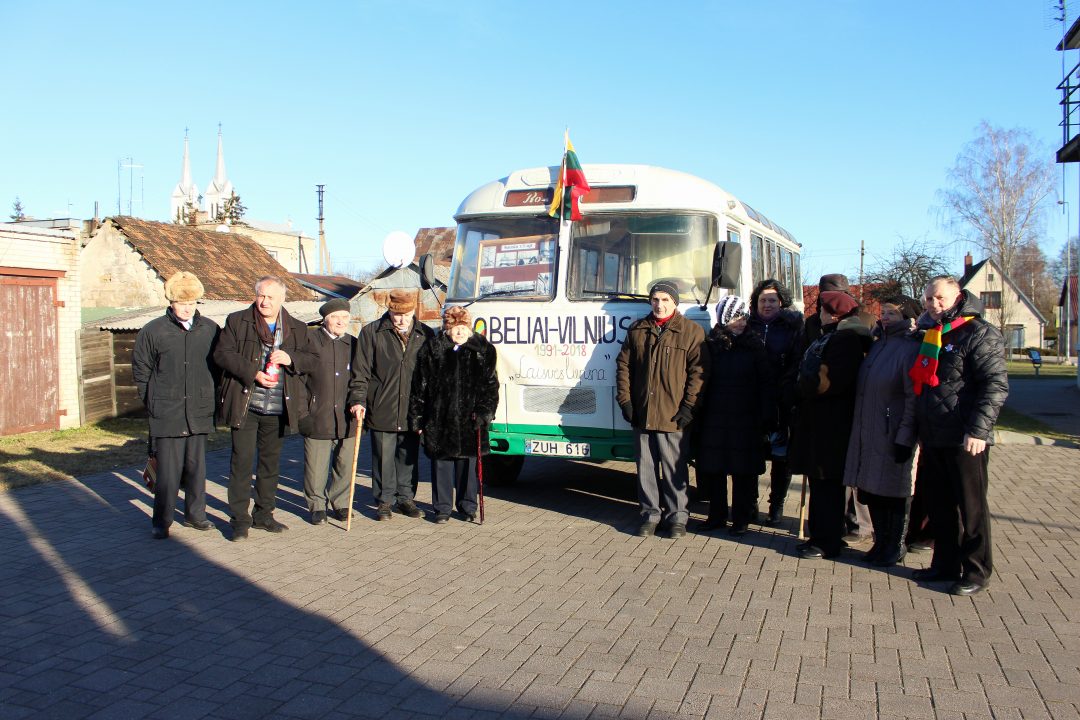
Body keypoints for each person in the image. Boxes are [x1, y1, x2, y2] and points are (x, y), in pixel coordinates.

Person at [910, 276, 1008, 596]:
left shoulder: (979, 332)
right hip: (934, 435)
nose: (933, 304)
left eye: (940, 298)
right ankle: (945, 565)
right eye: (928, 299)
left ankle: (977, 571)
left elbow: (994, 385)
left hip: (966, 437)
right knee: (939, 506)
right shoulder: (931, 333)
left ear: (958, 297)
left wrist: (978, 430)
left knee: (971, 507)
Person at [215, 275, 312, 541]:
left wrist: (291, 358)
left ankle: (264, 515)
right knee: (241, 463)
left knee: (270, 465)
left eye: (270, 297)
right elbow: (222, 354)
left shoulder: (297, 327)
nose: (264, 301)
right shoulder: (237, 321)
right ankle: (239, 520)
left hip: (279, 407)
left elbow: (311, 360)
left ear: (282, 299)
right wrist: (253, 373)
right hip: (246, 404)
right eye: (261, 295)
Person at [616, 281, 709, 539]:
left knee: (674, 470)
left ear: (675, 302)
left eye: (665, 299)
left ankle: (677, 518)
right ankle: (650, 516)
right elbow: (623, 367)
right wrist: (626, 402)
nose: (660, 304)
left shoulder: (691, 332)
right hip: (643, 413)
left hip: (673, 415)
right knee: (646, 469)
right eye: (656, 299)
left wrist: (689, 407)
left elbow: (699, 374)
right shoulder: (637, 330)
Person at [132, 272, 219, 539]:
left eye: (192, 303)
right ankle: (162, 520)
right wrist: (152, 400)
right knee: (167, 474)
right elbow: (141, 369)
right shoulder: (153, 330)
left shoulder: (210, 330)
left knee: (196, 468)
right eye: (182, 303)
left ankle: (196, 515)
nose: (187, 308)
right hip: (166, 412)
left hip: (199, 411)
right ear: (171, 303)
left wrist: (210, 395)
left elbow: (218, 367)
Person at [789, 290, 872, 559]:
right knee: (819, 483)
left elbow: (825, 383)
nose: (819, 314)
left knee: (828, 485)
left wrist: (803, 381)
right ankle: (820, 535)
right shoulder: (830, 337)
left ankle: (828, 541)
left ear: (834, 314)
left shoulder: (845, 341)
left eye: (823, 310)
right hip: (819, 422)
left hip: (832, 425)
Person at [842, 295, 922, 566]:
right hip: (869, 428)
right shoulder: (878, 344)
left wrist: (905, 436)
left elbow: (913, 397)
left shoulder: (910, 348)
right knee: (871, 488)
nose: (885, 318)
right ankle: (881, 542)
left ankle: (895, 544)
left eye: (892, 313)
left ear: (907, 318)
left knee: (894, 490)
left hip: (892, 430)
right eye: (883, 312)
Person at [348, 289, 434, 520]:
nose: (401, 319)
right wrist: (358, 399)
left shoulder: (425, 334)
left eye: (406, 314)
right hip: (382, 405)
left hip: (412, 408)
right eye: (397, 315)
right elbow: (360, 371)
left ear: (413, 311)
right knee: (383, 457)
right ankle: (384, 501)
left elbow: (431, 375)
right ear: (389, 311)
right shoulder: (372, 332)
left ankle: (406, 498)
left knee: (408, 456)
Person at [409, 306, 499, 523]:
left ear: (469, 328)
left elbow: (491, 386)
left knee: (467, 466)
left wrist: (484, 412)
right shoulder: (433, 349)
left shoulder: (483, 350)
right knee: (441, 464)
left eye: (463, 328)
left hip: (471, 420)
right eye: (455, 327)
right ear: (446, 328)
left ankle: (467, 506)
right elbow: (420, 387)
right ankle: (442, 508)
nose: (459, 332)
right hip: (440, 420)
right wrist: (418, 419)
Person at [694, 295, 773, 536]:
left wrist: (767, 416)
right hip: (715, 417)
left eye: (744, 317)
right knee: (714, 470)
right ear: (724, 318)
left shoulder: (755, 345)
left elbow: (766, 383)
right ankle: (716, 516)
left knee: (743, 472)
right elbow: (702, 380)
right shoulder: (711, 345)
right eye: (735, 317)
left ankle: (741, 519)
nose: (741, 322)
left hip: (746, 419)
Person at [746, 279, 804, 525]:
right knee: (751, 455)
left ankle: (776, 505)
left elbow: (797, 360)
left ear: (781, 302)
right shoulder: (748, 325)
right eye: (763, 300)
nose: (767, 304)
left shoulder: (792, 327)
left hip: (782, 400)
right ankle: (750, 503)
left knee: (781, 458)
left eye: (772, 300)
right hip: (753, 399)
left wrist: (787, 388)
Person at [297, 299, 358, 525]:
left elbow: (361, 378)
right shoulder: (310, 341)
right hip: (318, 414)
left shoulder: (354, 344)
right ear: (325, 320)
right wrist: (302, 413)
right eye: (335, 317)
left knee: (345, 464)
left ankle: (341, 503)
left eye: (344, 317)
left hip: (347, 416)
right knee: (316, 466)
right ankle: (316, 505)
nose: (341, 321)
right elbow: (299, 381)